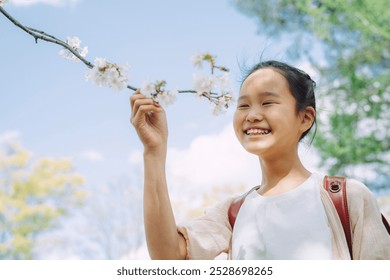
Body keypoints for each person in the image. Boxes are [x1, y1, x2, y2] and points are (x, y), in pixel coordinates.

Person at [130, 60, 390, 260]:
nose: (252, 115)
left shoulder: (346, 197)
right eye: (243, 106)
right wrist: (154, 152)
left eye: (267, 103)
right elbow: (168, 256)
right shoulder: (232, 213)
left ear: (305, 118)